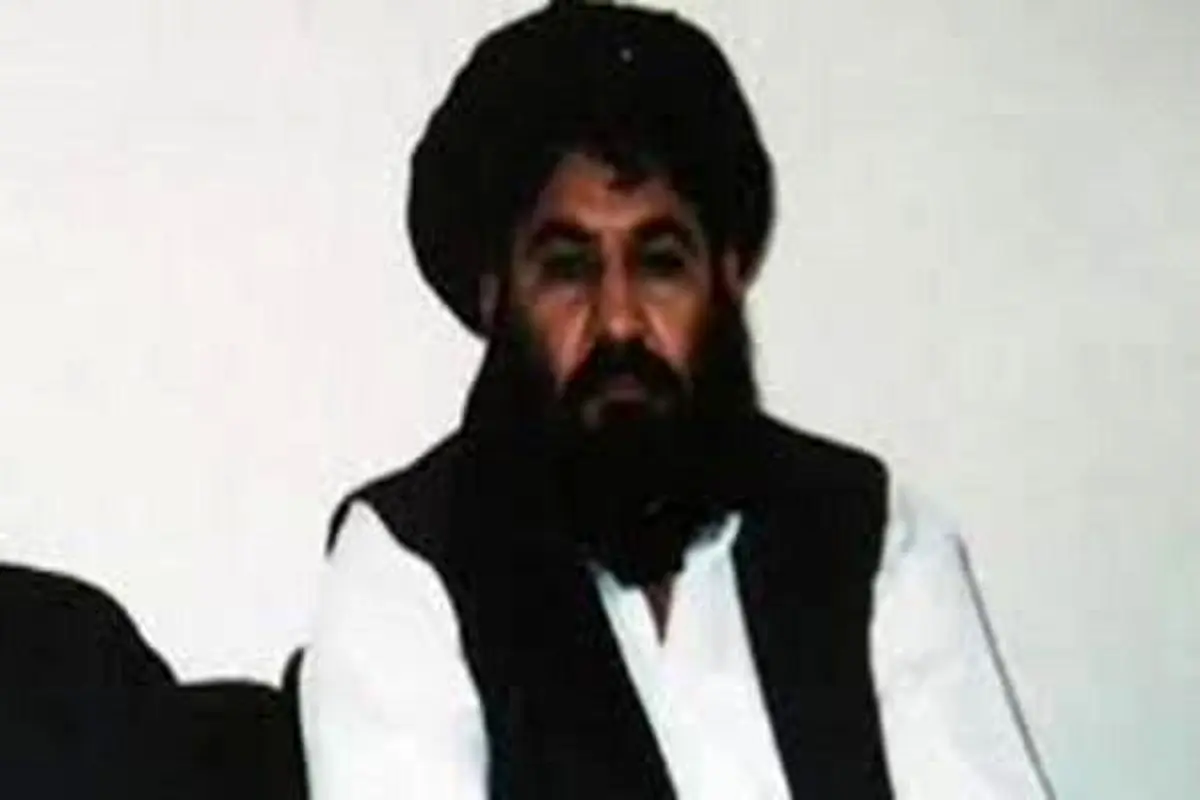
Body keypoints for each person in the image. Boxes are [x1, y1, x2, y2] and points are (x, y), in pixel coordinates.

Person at [301, 2, 1053, 798]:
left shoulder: (875, 539)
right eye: (567, 269)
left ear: (728, 274)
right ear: (495, 296)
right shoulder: (408, 566)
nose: (619, 321)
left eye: (660, 262)